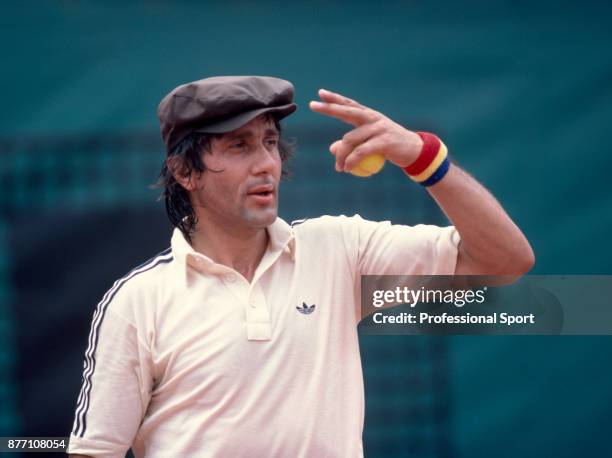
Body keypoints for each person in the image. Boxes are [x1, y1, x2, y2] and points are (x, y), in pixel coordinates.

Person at [67, 76, 534, 457]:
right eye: (238, 146)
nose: (266, 163)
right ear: (185, 173)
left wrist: (421, 157)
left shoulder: (340, 248)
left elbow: (505, 261)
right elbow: (95, 450)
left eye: (270, 143)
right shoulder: (137, 301)